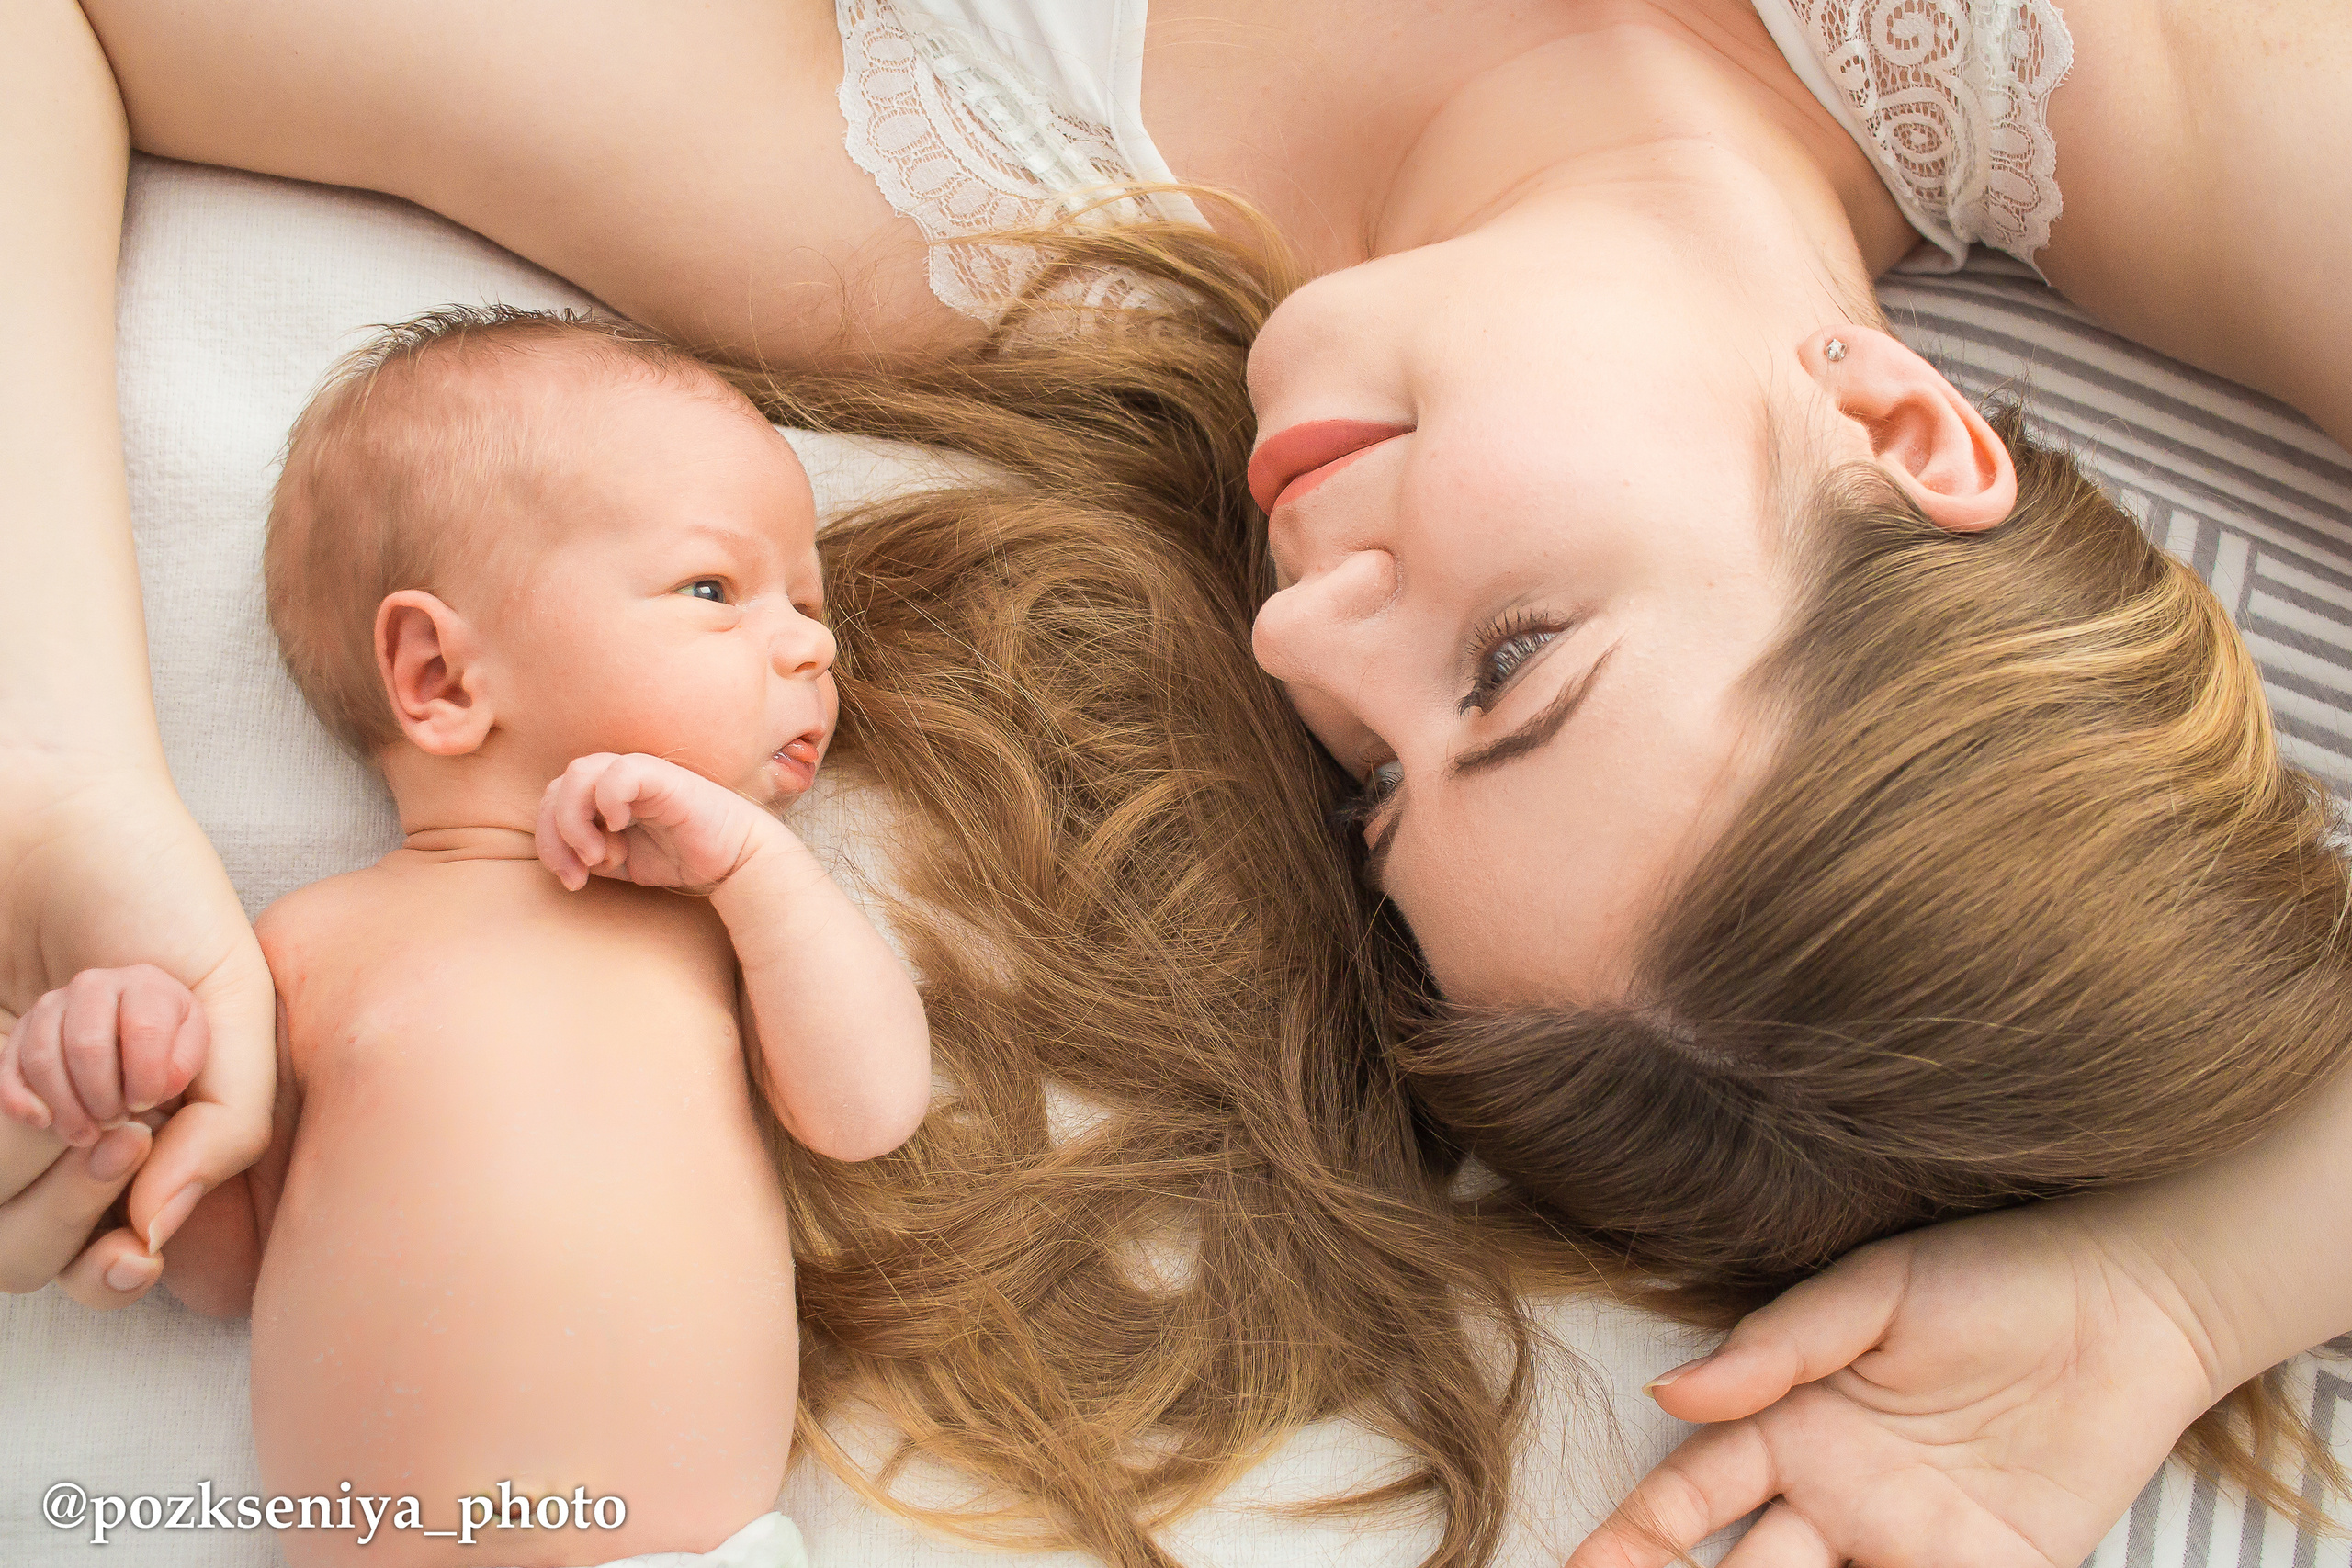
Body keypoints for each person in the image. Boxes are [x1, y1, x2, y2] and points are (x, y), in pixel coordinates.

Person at [3, 0, 2347, 1562]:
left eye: (1365, 771)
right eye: (1515, 662)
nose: (1300, 620)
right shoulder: (2120, 56)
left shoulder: (942, 199)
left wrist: (73, 803)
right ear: (1894, 430)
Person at [5, 308, 933, 1566]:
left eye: (807, 601)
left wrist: (759, 868)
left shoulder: (718, 925)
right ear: (439, 675)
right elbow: (223, 1277)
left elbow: (869, 1108)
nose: (815, 643)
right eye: (714, 587)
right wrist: (121, 1089)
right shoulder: (296, 951)